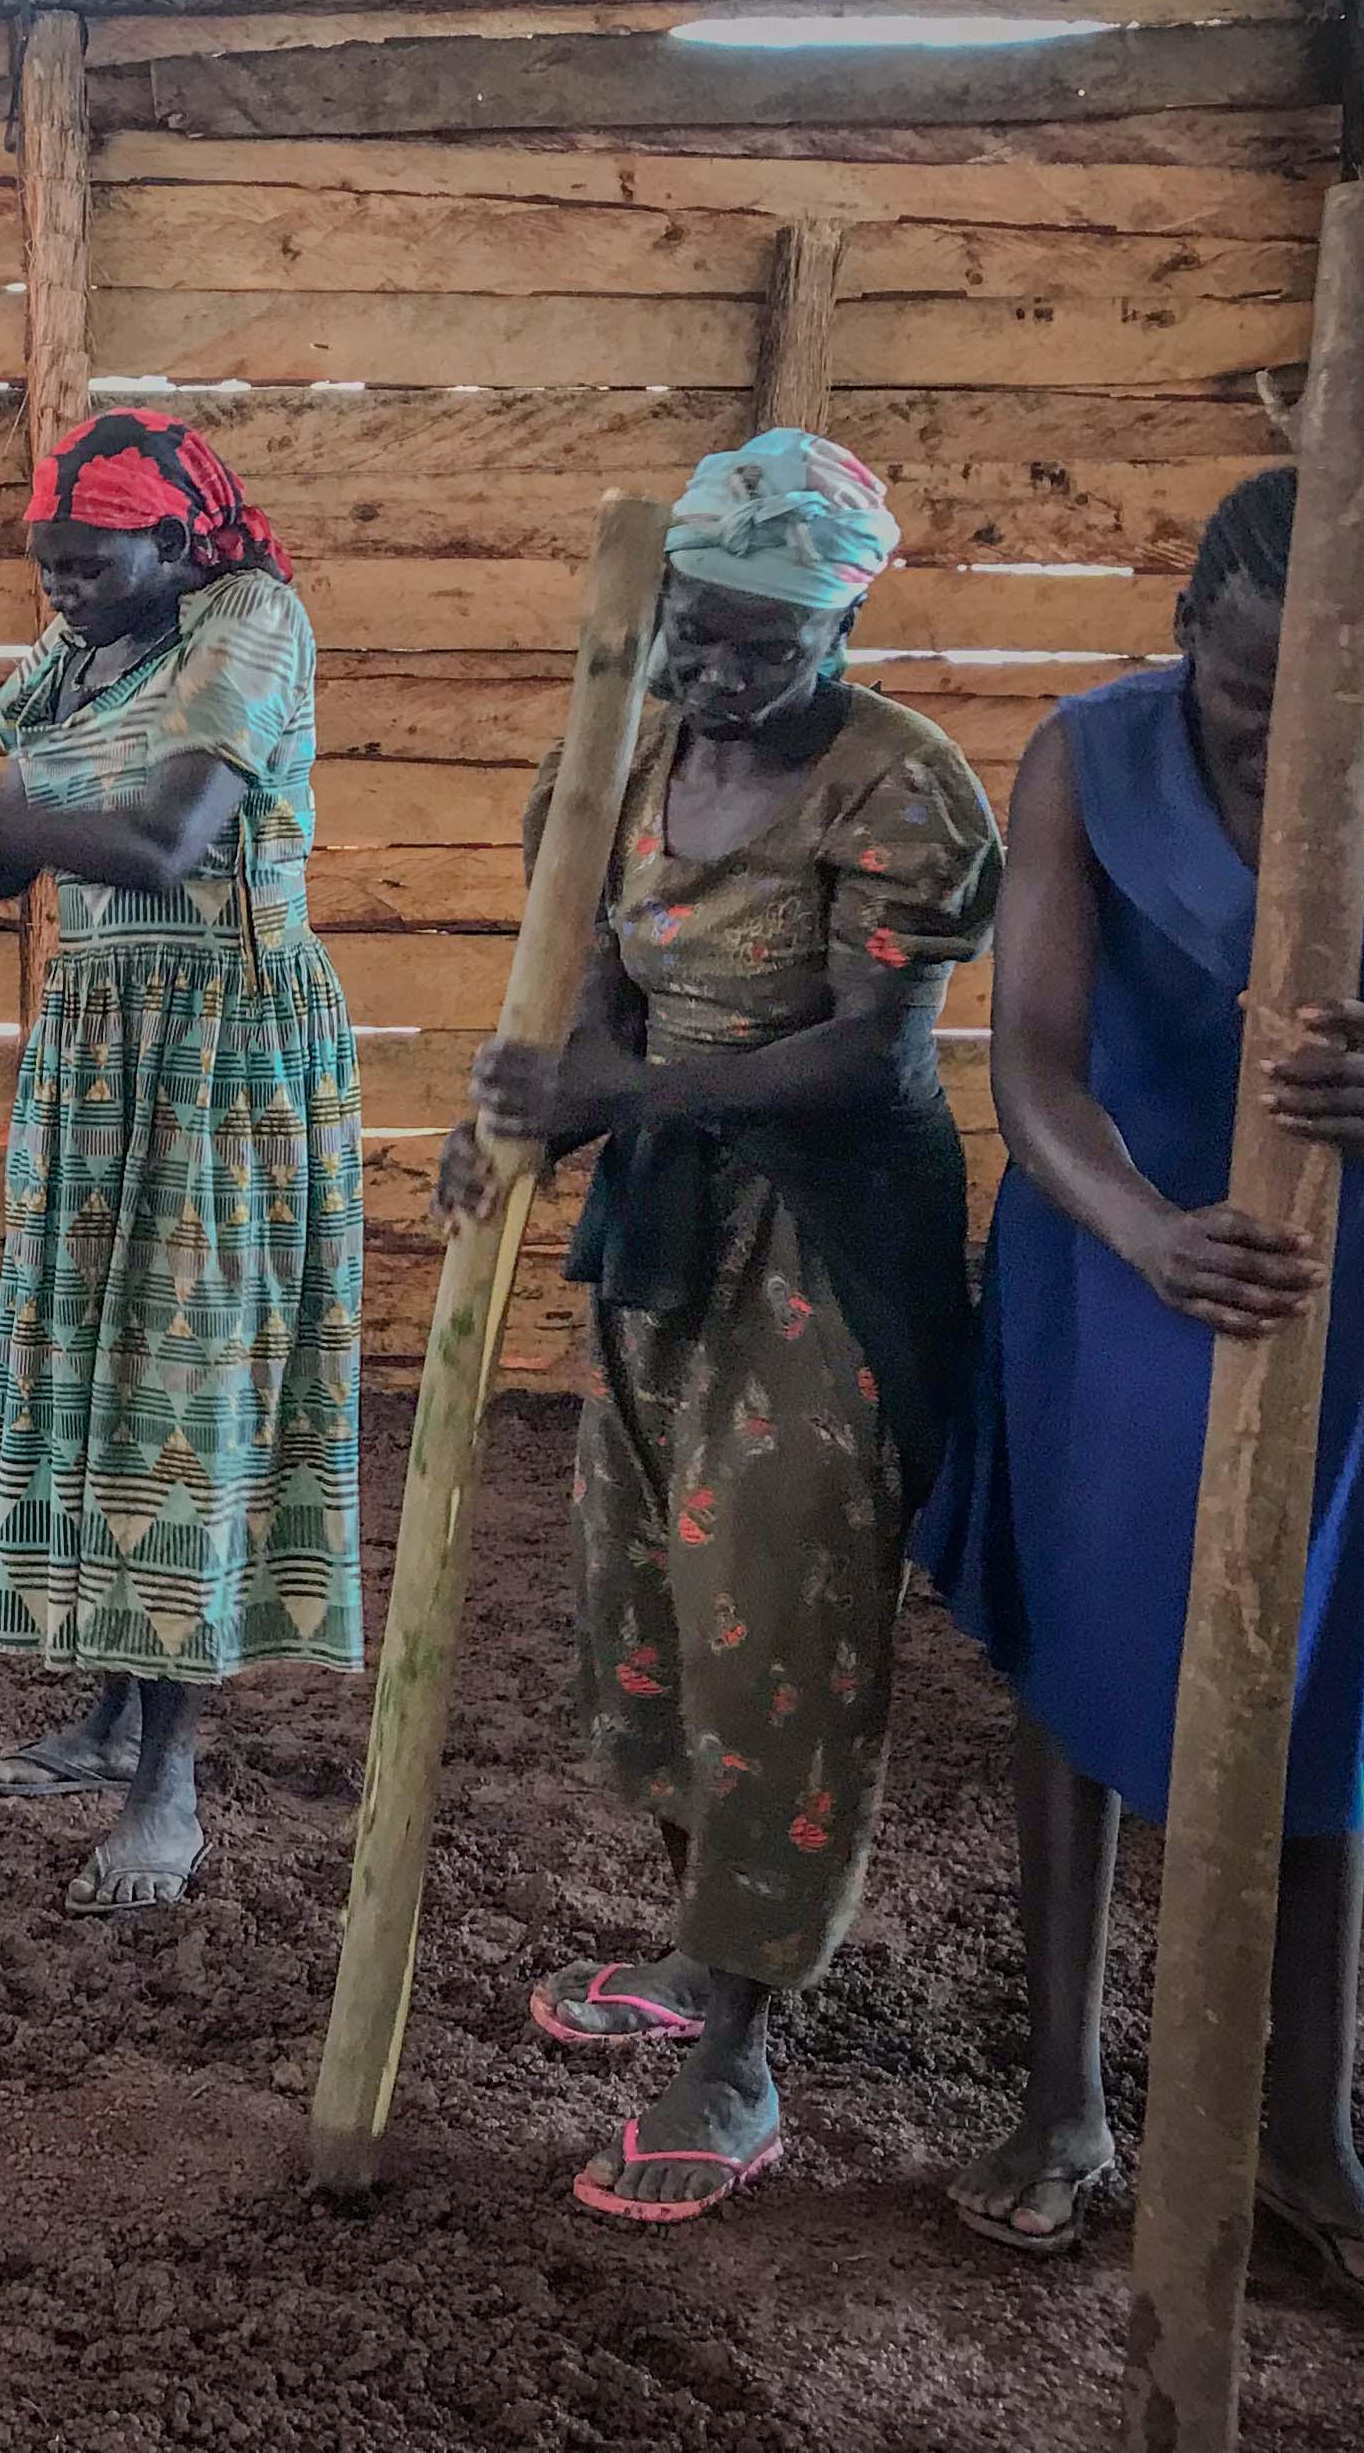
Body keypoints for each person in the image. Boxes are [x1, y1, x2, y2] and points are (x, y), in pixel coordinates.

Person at [915, 466, 1364, 2327]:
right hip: (1115, 1242)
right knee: (1081, 1657)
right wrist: (1141, 1229)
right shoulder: (1082, 753)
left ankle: (1302, 2135)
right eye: (1249, 683)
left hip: (1338, 1253)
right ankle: (1061, 2104)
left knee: (1313, 1675)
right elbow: (1028, 1054)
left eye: (1324, 686)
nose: (1281, 725)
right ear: (1190, 626)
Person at [436, 431, 1000, 2228]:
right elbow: (576, 1003)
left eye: (768, 641)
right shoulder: (609, 765)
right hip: (670, 1230)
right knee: (653, 1611)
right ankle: (700, 1946)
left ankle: (737, 2053)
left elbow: (869, 1053)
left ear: (843, 615)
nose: (723, 671)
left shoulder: (900, 788)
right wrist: (520, 1111)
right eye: (699, 629)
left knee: (783, 1622)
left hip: (824, 1237)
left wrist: (630, 1089)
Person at [0, 409, 365, 1913]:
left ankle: (171, 1786)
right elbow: (25, 850)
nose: (61, 584)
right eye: (47, 562)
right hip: (106, 1038)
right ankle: (112, 1719)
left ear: (175, 542)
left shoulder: (250, 620)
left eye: (89, 560)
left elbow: (165, 842)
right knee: (110, 1374)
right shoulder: (72, 659)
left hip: (223, 1038)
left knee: (180, 1395)